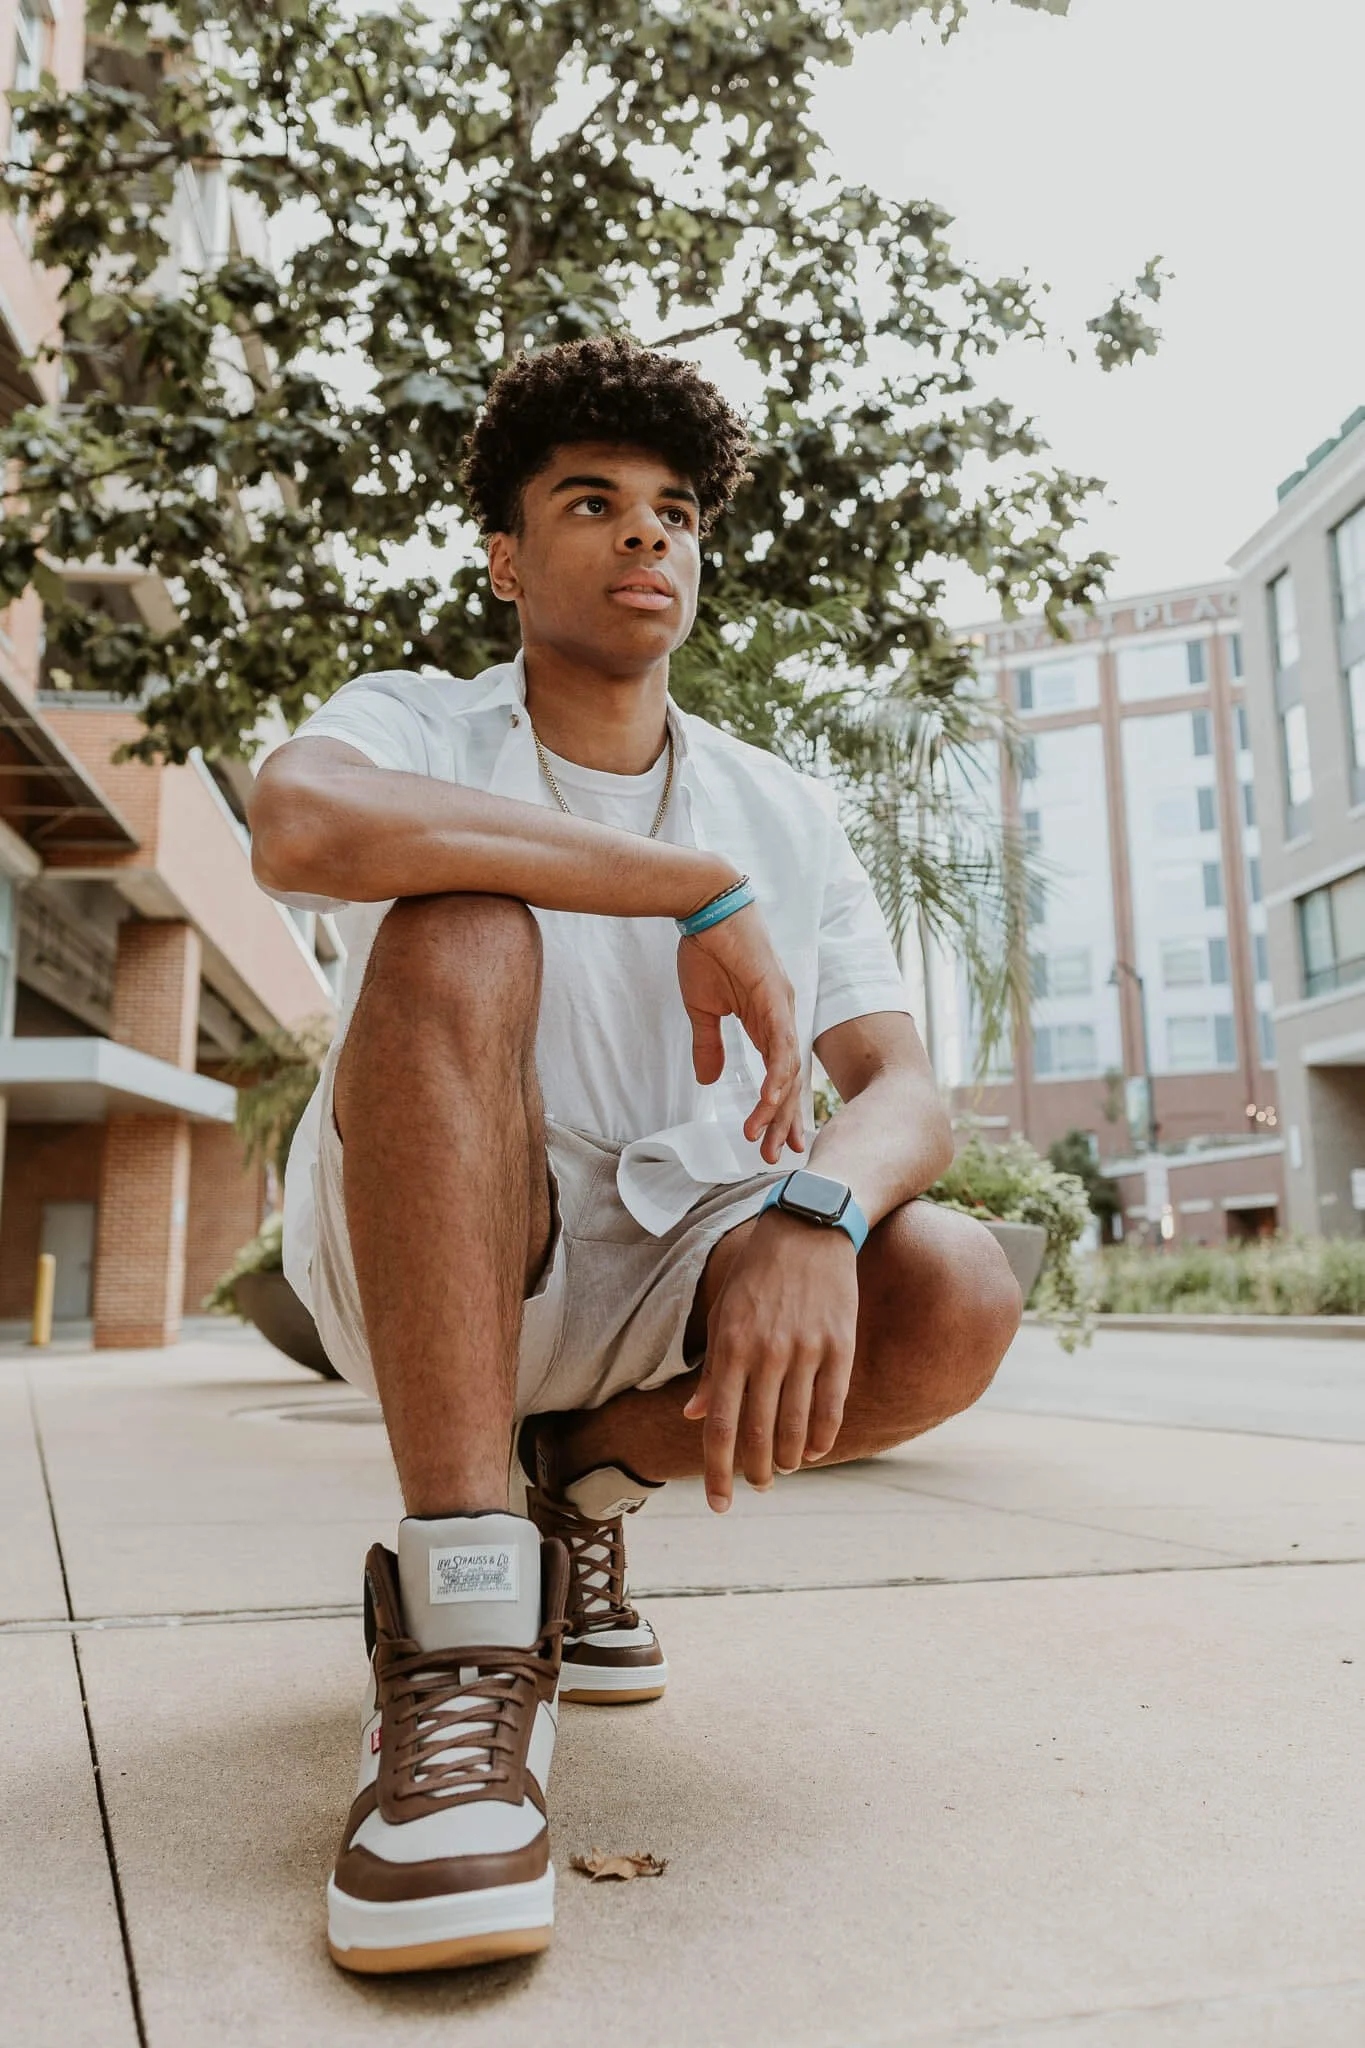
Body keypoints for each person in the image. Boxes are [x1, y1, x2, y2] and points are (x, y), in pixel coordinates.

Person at [250, 334, 1021, 1977]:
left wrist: (820, 1201)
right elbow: (301, 827)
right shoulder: (418, 721)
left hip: (674, 1248)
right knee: (458, 930)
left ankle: (577, 1483)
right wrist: (681, 888)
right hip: (438, 1236)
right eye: (591, 503)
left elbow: (903, 1088)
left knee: (948, 1283)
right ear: (508, 558)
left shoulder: (778, 805)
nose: (645, 536)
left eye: (674, 510)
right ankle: (462, 1634)